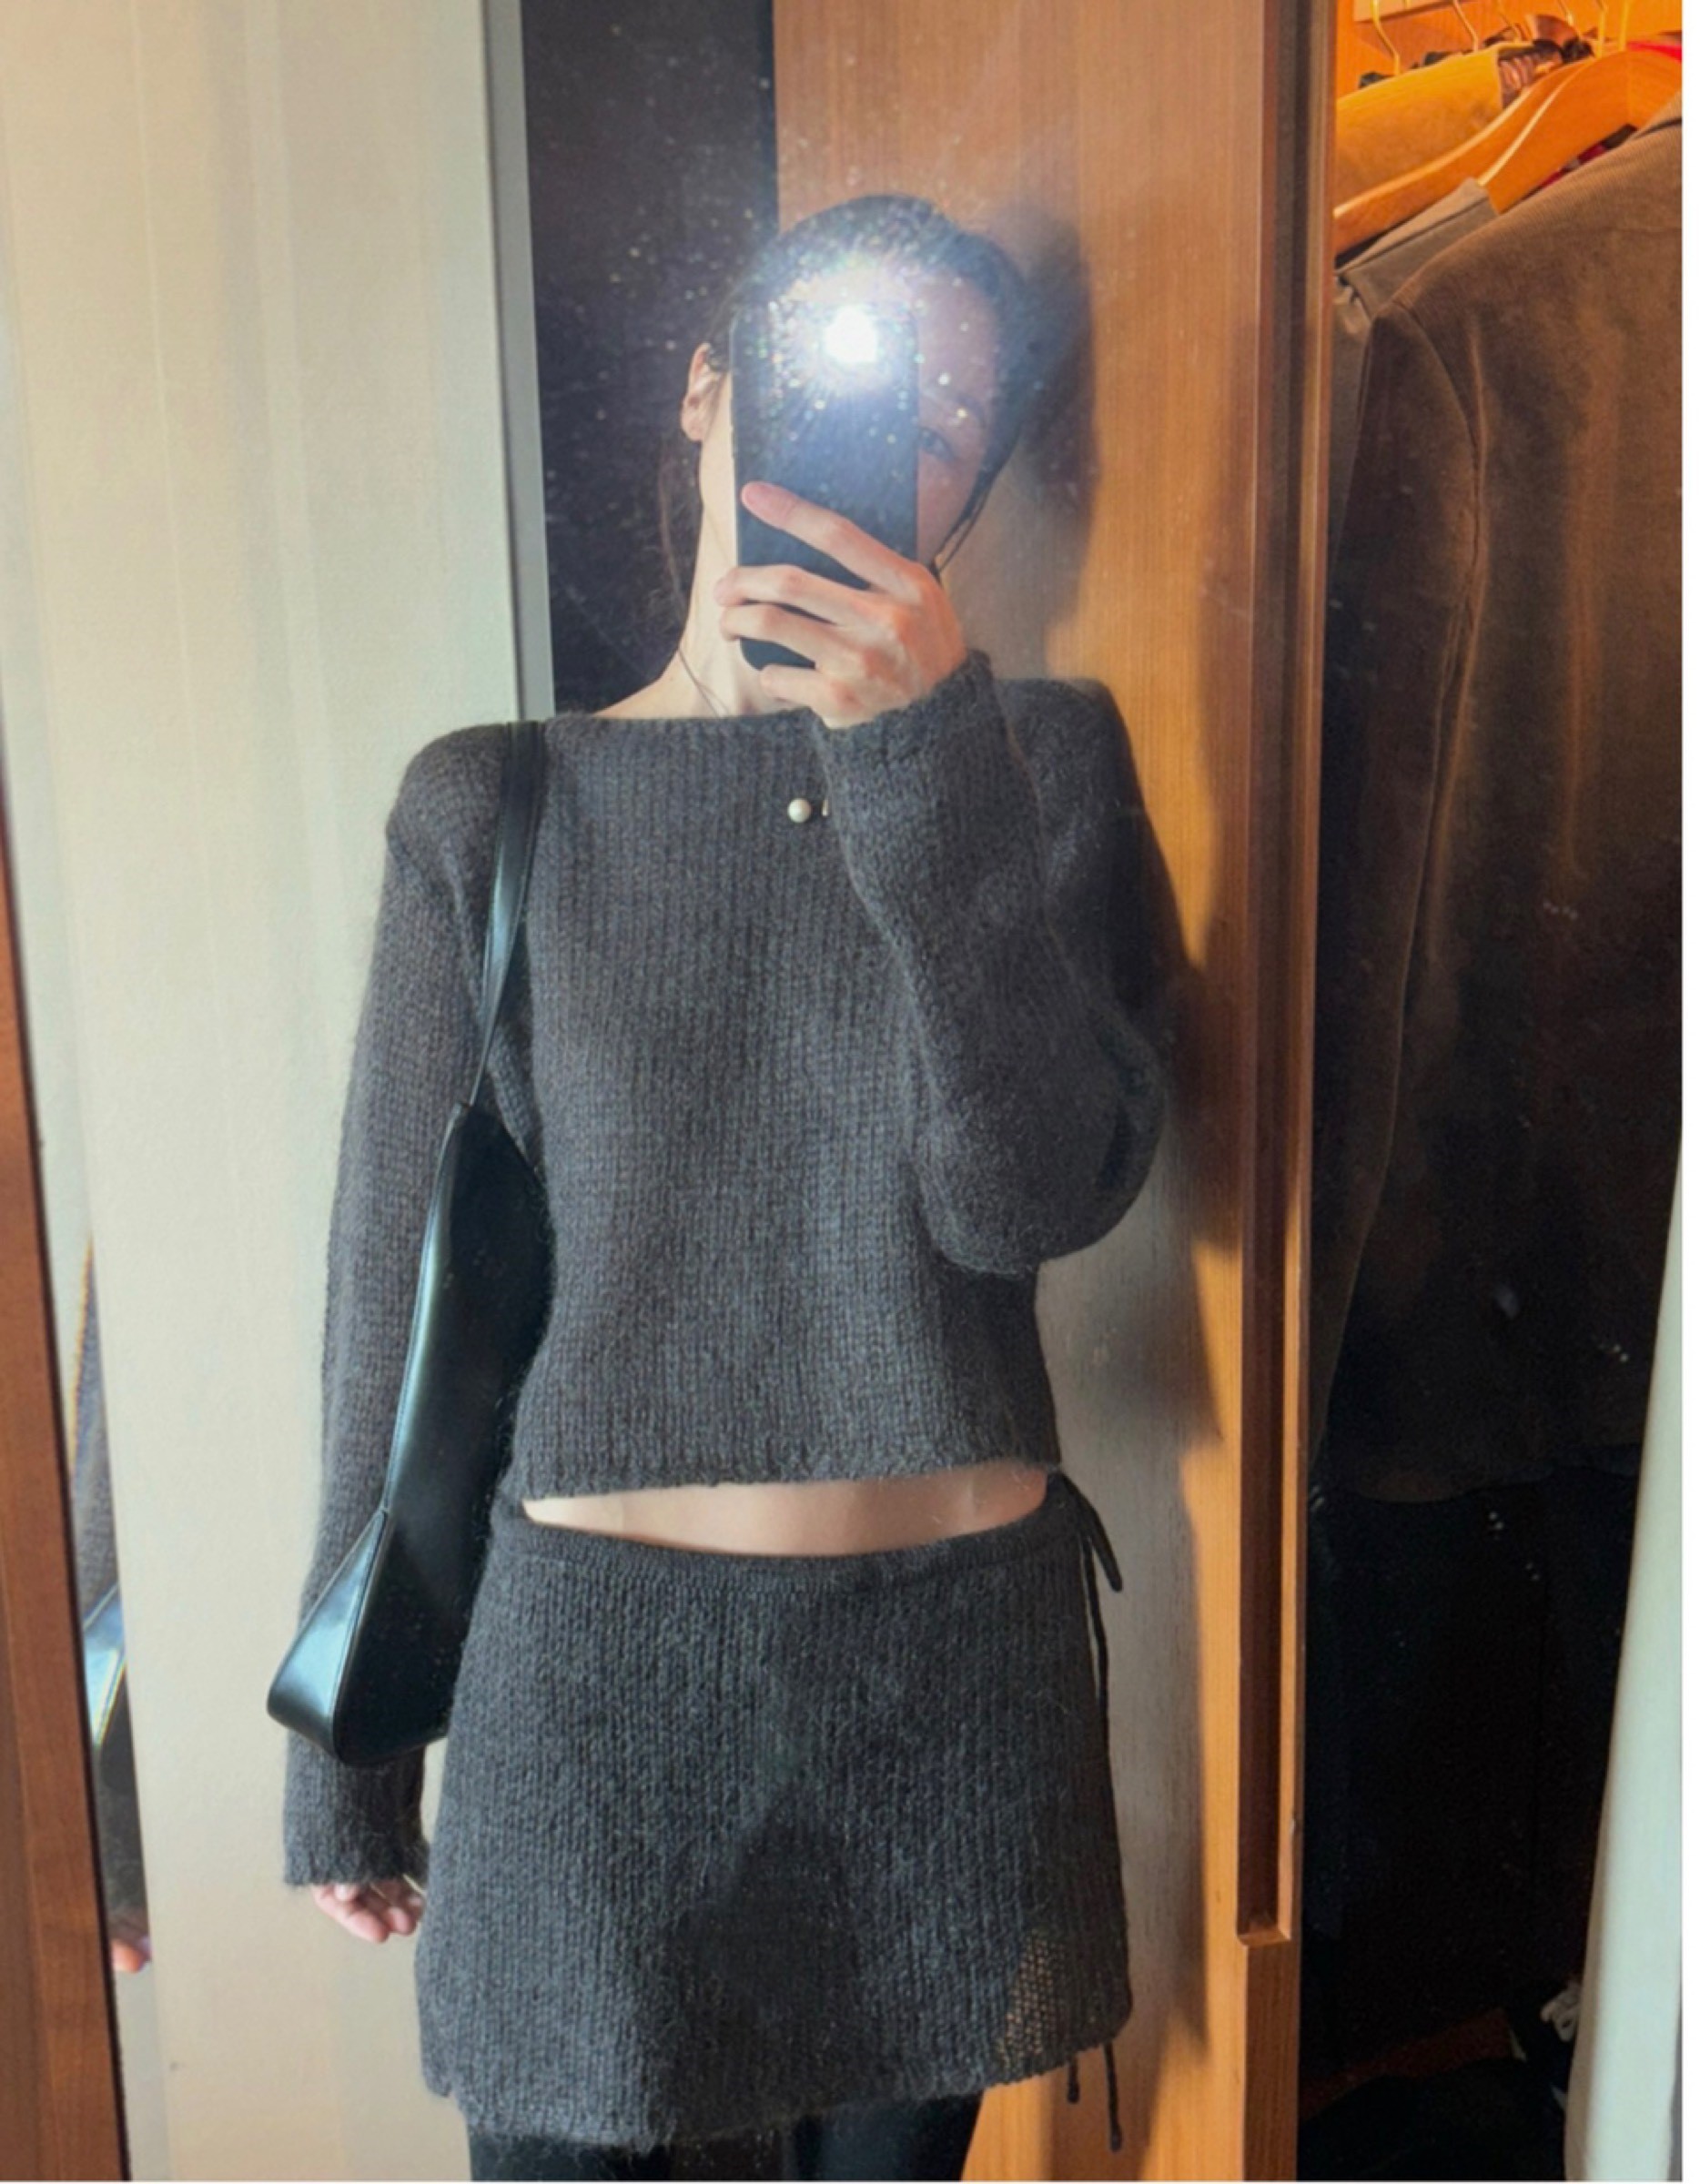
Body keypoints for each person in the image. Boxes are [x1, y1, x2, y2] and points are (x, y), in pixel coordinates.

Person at [281, 194, 1168, 2180]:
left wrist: (917, 766)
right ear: (708, 390)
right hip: (593, 1698)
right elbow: (385, 1302)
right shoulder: (492, 804)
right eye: (845, 373)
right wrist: (350, 1762)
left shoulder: (1032, 764)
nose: (896, 435)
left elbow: (1019, 1201)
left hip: (950, 1696)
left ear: (975, 489)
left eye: (947, 417)